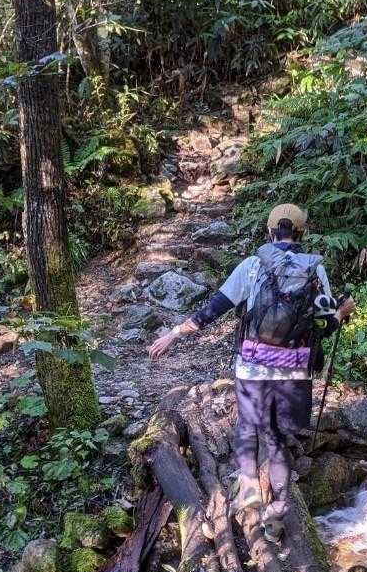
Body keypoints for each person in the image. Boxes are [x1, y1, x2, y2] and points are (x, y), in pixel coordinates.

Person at [148, 203, 355, 536]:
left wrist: (173, 334)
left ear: (270, 232)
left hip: (253, 368)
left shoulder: (252, 266)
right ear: (301, 233)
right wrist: (342, 313)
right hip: (294, 371)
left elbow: (212, 310)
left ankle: (248, 490)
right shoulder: (315, 271)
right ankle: (278, 509)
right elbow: (324, 326)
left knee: (247, 426)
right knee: (277, 439)